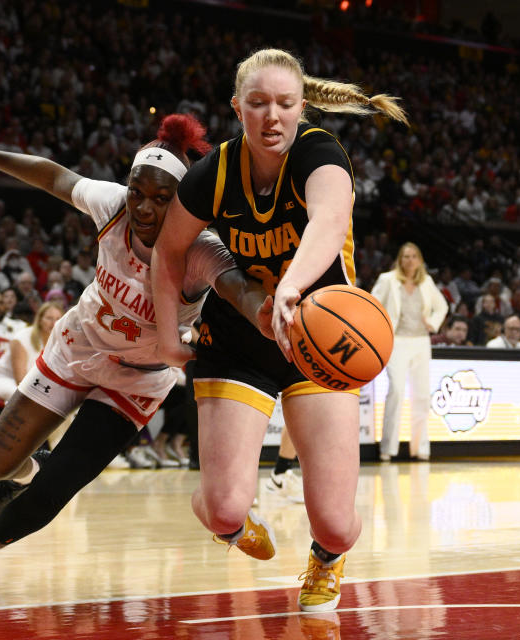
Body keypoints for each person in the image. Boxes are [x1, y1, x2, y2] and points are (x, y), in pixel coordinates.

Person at [0, 114, 266, 604]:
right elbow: (52, 174)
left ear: (181, 200)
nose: (145, 207)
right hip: (77, 346)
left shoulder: (199, 248)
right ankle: (23, 474)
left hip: (136, 380)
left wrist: (276, 316)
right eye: (138, 192)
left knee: (58, 487)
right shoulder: (112, 205)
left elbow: (239, 287)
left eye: (160, 198)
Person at [151, 48, 408, 612]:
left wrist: (290, 288)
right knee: (223, 510)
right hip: (239, 339)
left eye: (286, 104)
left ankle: (326, 557)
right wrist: (170, 337)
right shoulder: (212, 173)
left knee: (339, 524)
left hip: (320, 338)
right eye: (259, 103)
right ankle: (232, 526)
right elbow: (168, 254)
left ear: (302, 108)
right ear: (237, 107)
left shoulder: (320, 152)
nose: (273, 116)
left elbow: (330, 219)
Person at [371, 243, 448, 462]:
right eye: (406, 256)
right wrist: (381, 329)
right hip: (396, 341)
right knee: (396, 391)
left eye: (414, 256)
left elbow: (442, 306)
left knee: (422, 395)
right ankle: (388, 448)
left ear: (420, 260)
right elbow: (373, 305)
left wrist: (432, 323)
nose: (410, 260)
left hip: (421, 341)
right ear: (400, 259)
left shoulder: (427, 282)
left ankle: (420, 447)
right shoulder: (388, 280)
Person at [0, 301, 63, 400]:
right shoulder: (22, 338)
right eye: (49, 318)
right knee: (27, 398)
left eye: (58, 319)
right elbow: (20, 380)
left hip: (33, 386)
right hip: (1, 380)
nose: (54, 323)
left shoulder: (60, 343)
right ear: (40, 319)